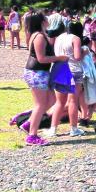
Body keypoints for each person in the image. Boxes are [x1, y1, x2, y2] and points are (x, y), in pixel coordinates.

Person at [22, 12, 68, 146]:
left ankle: (29, 123)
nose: (48, 19)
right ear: (41, 21)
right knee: (40, 105)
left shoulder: (39, 34)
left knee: (52, 100)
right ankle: (32, 136)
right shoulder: (39, 37)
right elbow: (41, 58)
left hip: (39, 73)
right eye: (45, 18)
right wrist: (59, 58)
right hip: (37, 73)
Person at [47, 22, 85, 138]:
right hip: (73, 70)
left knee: (60, 102)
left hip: (60, 69)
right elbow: (77, 57)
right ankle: (74, 128)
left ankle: (53, 129)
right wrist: (85, 52)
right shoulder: (76, 38)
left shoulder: (59, 37)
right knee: (73, 101)